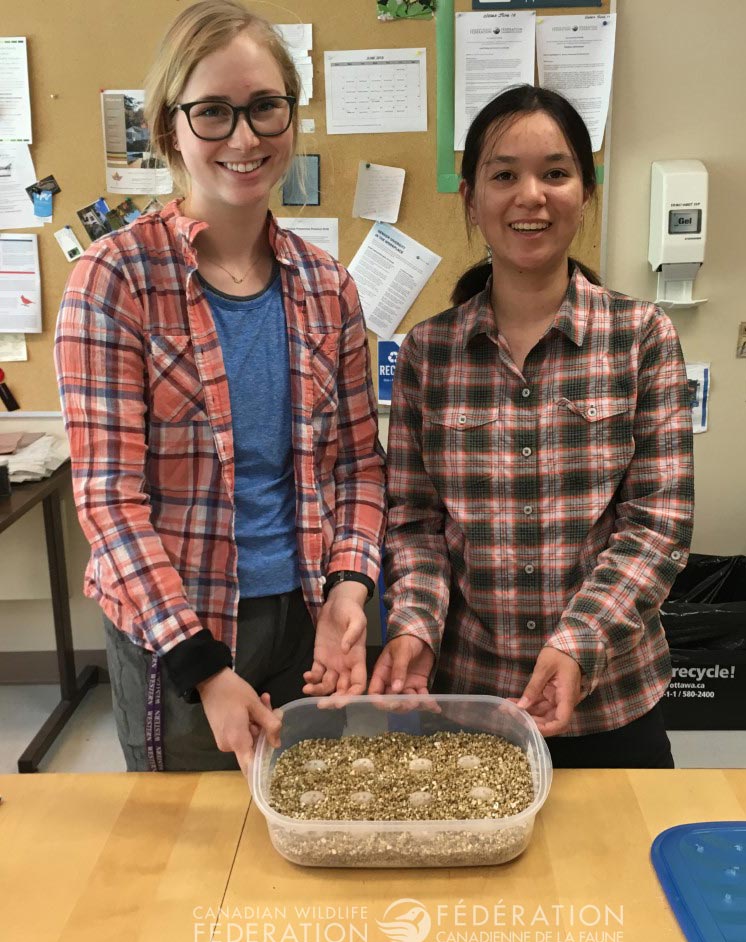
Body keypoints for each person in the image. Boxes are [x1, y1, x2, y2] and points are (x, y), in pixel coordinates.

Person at [55, 0, 385, 775]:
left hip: (307, 619)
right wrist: (201, 665)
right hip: (178, 625)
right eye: (213, 113)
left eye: (266, 108)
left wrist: (350, 590)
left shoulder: (327, 287)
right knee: (187, 853)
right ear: (170, 127)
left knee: (309, 823)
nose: (245, 138)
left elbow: (359, 466)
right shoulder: (114, 281)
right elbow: (110, 500)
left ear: (293, 120)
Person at [370, 85, 694, 768]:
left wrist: (577, 640)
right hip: (468, 700)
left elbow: (658, 523)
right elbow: (415, 526)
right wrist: (415, 630)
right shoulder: (429, 354)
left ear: (586, 189)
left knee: (618, 873)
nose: (531, 196)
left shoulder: (642, 338)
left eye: (555, 172)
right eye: (504, 175)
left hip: (613, 698)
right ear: (470, 199)